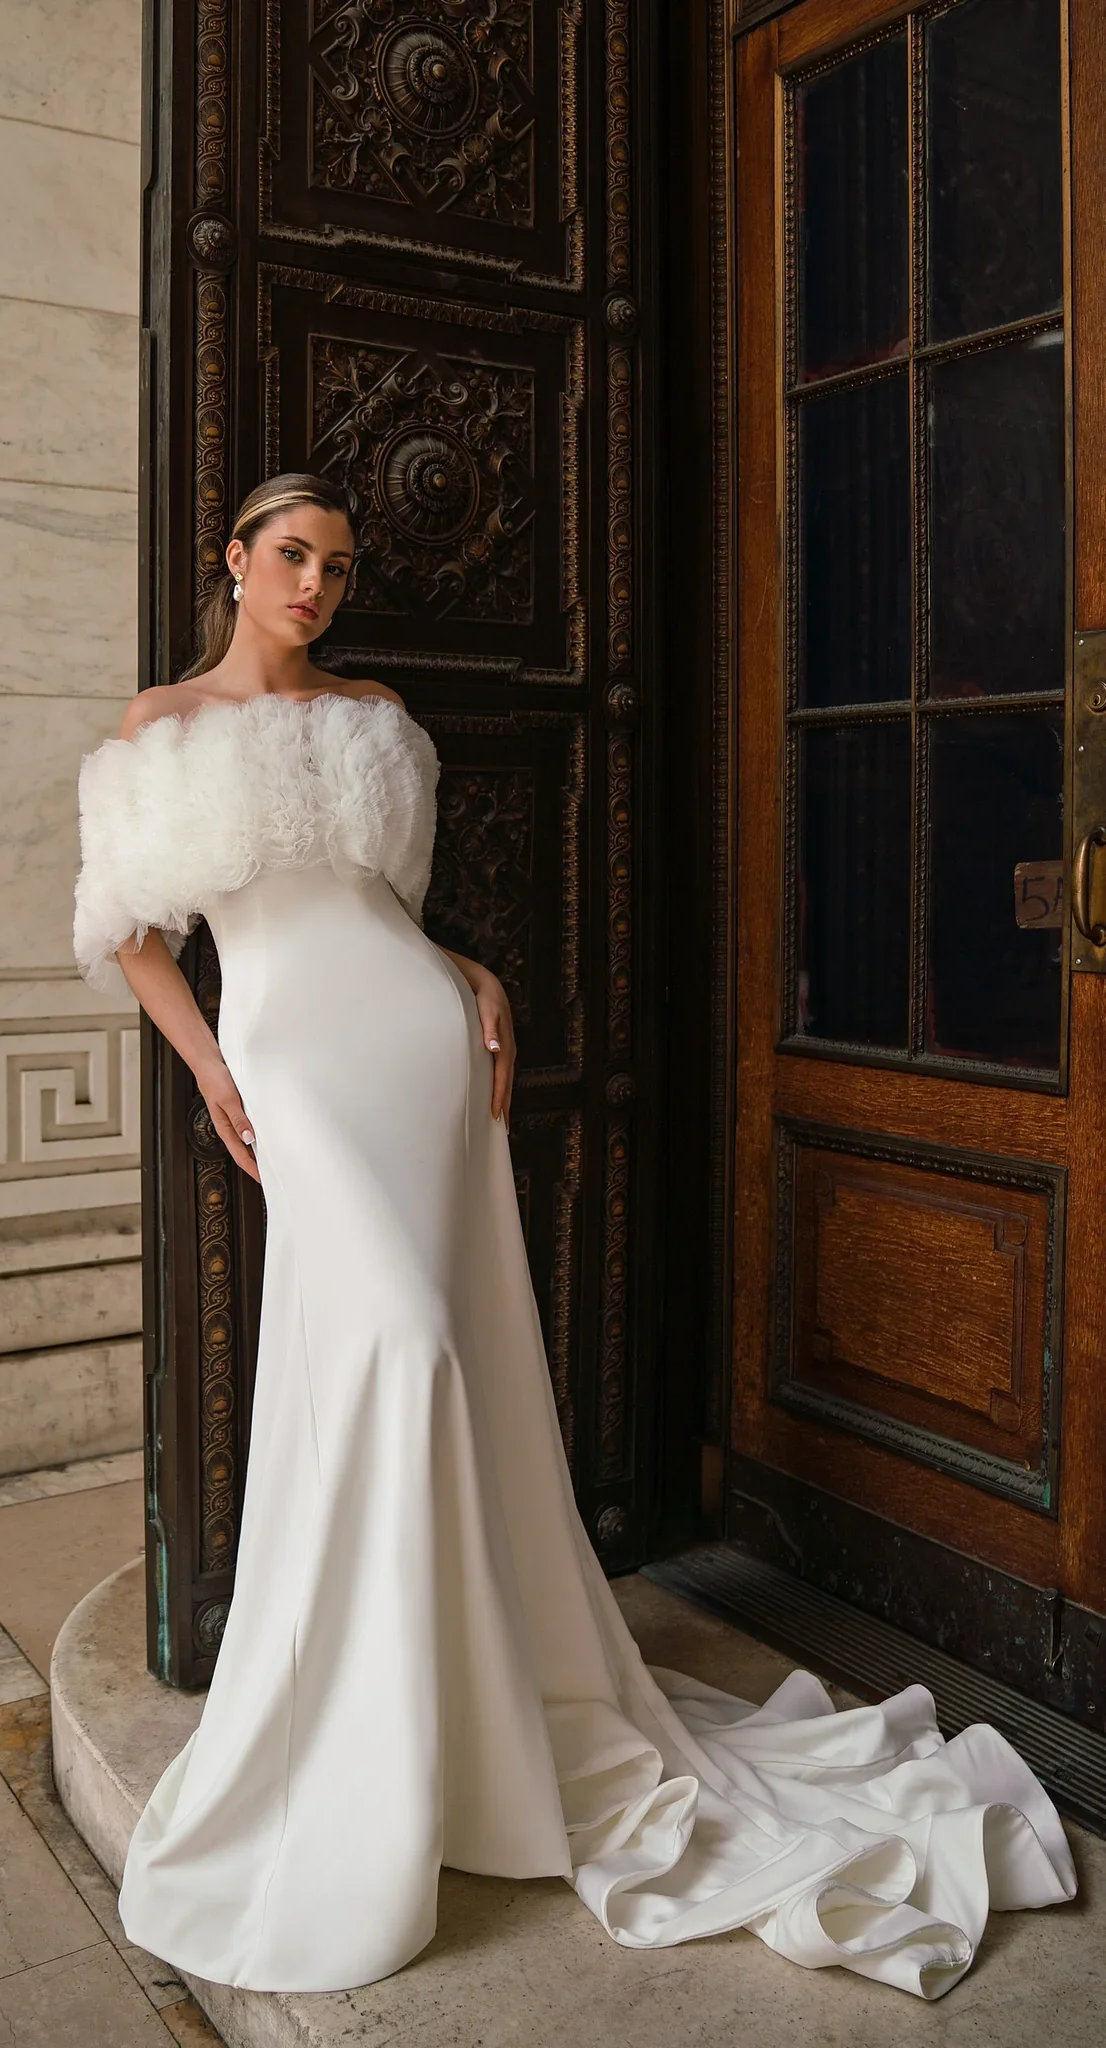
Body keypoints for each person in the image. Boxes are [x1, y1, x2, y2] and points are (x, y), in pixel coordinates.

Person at [73, 472, 1076, 2001]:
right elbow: (132, 928)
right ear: (234, 560)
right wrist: (209, 1062)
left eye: (338, 566)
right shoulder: (160, 725)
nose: (317, 586)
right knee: (394, 1346)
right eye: (293, 558)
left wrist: (465, 966)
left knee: (449, 1353)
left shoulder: (374, 709)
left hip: (413, 1045)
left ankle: (463, 1700)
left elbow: (377, 908)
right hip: (286, 1055)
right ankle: (371, 1723)